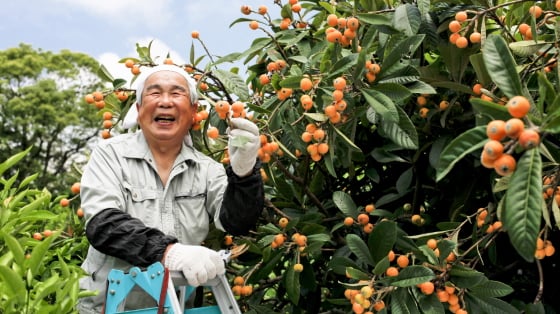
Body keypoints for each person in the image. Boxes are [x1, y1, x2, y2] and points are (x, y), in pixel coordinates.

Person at [77, 64, 264, 314]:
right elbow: (103, 225)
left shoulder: (207, 169)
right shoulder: (109, 155)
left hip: (174, 308)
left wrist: (244, 173)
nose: (165, 101)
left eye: (177, 93)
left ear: (193, 111)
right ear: (139, 108)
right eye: (155, 93)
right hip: (107, 308)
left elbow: (236, 222)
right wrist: (168, 252)